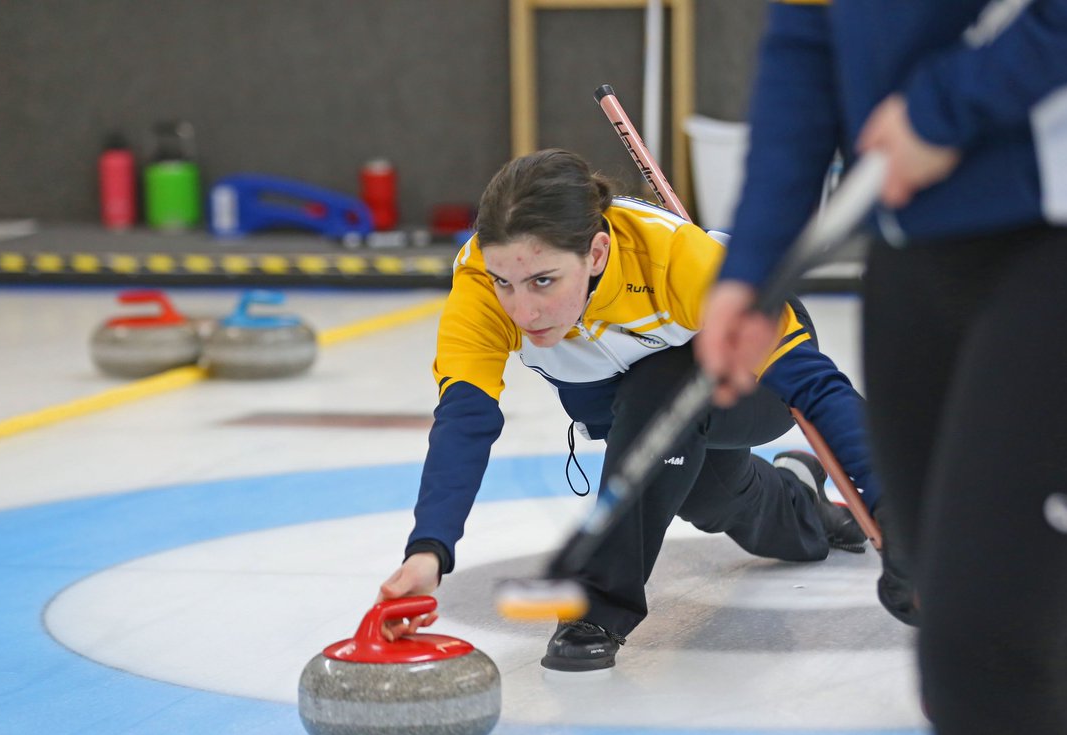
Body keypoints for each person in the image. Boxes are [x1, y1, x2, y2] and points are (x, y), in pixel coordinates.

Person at [694, 2, 1067, 735]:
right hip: (917, 254)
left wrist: (946, 105)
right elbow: (807, 39)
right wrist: (753, 262)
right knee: (985, 627)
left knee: (984, 643)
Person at [377, 147, 891, 673]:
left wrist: (895, 512)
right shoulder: (480, 287)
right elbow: (465, 420)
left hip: (748, 379)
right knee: (711, 498)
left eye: (544, 281)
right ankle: (802, 500)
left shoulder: (678, 260)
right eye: (504, 282)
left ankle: (599, 606)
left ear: (597, 253)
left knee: (660, 386)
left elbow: (816, 387)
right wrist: (428, 550)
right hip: (638, 411)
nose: (522, 310)